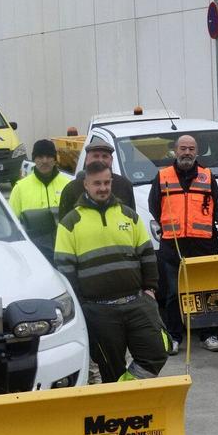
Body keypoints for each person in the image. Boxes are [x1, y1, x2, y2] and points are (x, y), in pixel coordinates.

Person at [56, 161, 167, 382]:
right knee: (110, 368)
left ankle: (126, 389)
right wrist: (81, 306)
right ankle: (121, 408)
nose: (103, 188)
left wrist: (150, 290)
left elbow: (146, 255)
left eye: (107, 182)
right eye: (97, 183)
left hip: (137, 303)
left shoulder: (129, 216)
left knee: (156, 353)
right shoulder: (70, 223)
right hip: (99, 311)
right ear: (86, 185)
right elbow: (65, 270)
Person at [148, 133, 218, 353]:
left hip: (203, 245)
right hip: (173, 245)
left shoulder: (208, 176)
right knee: (172, 293)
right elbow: (155, 206)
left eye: (191, 148)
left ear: (197, 152)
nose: (187, 152)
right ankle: (174, 337)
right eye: (183, 148)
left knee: (206, 292)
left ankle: (208, 334)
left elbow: (215, 205)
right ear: (175, 151)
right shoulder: (162, 176)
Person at [57, 136, 135, 215]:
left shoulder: (124, 186)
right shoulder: (71, 190)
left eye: (105, 156)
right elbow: (65, 224)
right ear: (86, 160)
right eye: (96, 156)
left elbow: (132, 219)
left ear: (111, 160)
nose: (100, 160)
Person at [9, 139, 72, 215]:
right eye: (40, 157)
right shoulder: (20, 188)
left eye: (48, 156)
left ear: (55, 160)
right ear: (34, 159)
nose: (44, 161)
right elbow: (10, 222)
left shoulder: (68, 185)